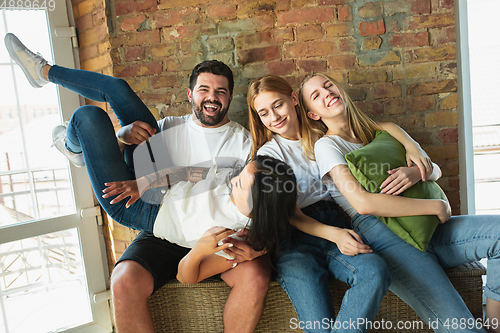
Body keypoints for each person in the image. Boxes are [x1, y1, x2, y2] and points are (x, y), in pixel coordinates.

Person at [4, 33, 275, 333]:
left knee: (86, 116)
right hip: (158, 200)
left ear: (229, 96)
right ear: (190, 94)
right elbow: (193, 173)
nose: (212, 97)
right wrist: (123, 137)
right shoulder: (170, 126)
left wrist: (258, 248)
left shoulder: (243, 145)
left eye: (221, 91)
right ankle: (44, 74)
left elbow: (267, 210)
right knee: (104, 101)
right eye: (204, 89)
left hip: (153, 214)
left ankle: (72, 145)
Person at [300, 73, 500, 333]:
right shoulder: (328, 145)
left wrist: (416, 172)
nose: (327, 92)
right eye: (316, 95)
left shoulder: (382, 131)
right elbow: (362, 203)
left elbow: (433, 170)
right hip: (384, 234)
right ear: (313, 114)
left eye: (328, 85)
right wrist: (436, 206)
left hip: (426, 227)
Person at [247, 75, 442, 333]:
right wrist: (335, 234)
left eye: (278, 105)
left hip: (336, 222)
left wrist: (411, 145)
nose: (274, 117)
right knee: (318, 326)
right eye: (264, 113)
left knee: (375, 272)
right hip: (296, 240)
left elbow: (381, 126)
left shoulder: (323, 135)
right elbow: (290, 215)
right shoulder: (270, 154)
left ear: (294, 99)